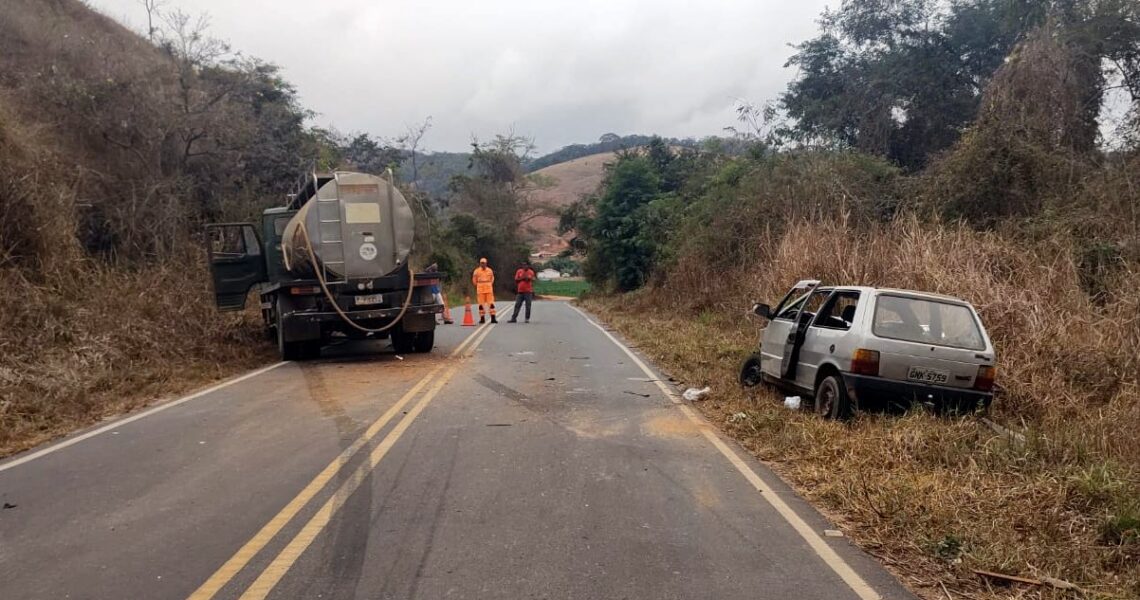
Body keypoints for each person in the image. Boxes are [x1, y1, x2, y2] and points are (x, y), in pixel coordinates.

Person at [471, 257, 497, 324]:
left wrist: (489, 284)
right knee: (481, 305)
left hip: (488, 289)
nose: (483, 264)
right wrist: (478, 285)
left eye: (484, 263)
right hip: (480, 289)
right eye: (482, 263)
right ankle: (482, 318)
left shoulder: (490, 270)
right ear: (480, 263)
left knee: (491, 304)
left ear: (486, 263)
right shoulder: (476, 271)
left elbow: (492, 278)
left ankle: (493, 318)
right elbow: (474, 280)